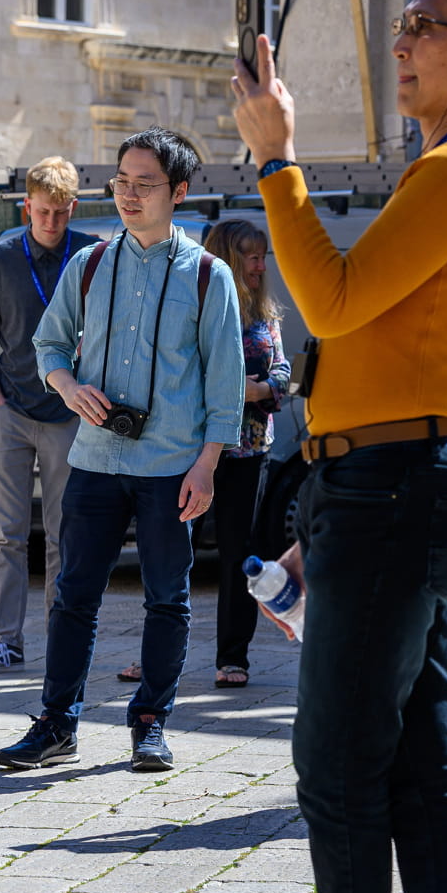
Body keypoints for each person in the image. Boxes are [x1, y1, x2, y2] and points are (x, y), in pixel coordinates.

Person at [232, 0, 447, 893]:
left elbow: (329, 299)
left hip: (395, 484)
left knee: (337, 768)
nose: (399, 41)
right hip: (392, 479)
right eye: (401, 22)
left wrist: (278, 159)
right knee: (416, 762)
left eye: (424, 26)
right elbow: (364, 329)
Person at [0, 126, 244, 774]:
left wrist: (208, 464)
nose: (128, 195)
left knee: (169, 598)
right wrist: (68, 385)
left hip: (171, 468)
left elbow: (224, 383)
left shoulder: (209, 277)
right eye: (121, 182)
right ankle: (57, 724)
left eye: (145, 184)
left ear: (179, 192)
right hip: (95, 462)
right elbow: (48, 346)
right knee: (73, 593)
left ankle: (151, 723)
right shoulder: (91, 264)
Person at [0, 157, 96, 675]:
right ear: (27, 207)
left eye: (61, 214)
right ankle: (6, 643)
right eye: (43, 213)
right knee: (7, 534)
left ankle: (60, 641)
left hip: (68, 414)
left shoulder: (90, 253)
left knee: (65, 534)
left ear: (73, 208)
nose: (51, 224)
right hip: (10, 409)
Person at [204, 220, 289, 689]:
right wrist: (243, 389)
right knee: (173, 554)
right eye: (251, 256)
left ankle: (233, 657)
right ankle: (155, 655)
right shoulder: (198, 308)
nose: (260, 265)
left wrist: (259, 388)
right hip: (193, 449)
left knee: (241, 552)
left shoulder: (266, 312)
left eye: (262, 256)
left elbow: (282, 370)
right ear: (228, 260)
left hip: (250, 450)